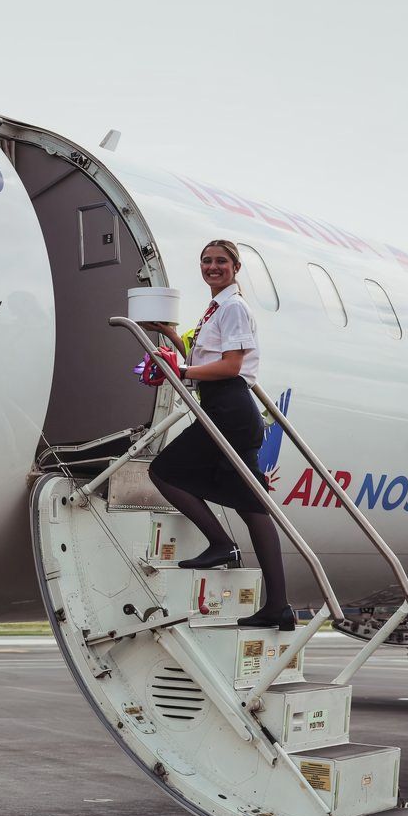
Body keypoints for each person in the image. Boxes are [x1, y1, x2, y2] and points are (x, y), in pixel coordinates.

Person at [145, 239, 292, 630]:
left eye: (221, 261)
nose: (213, 267)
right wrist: (173, 338)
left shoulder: (234, 307)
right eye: (206, 261)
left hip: (230, 407)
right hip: (221, 405)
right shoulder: (216, 310)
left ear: (235, 267)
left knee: (164, 471)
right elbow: (206, 359)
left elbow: (230, 367)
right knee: (251, 506)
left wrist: (180, 372)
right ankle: (278, 605)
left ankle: (221, 543)